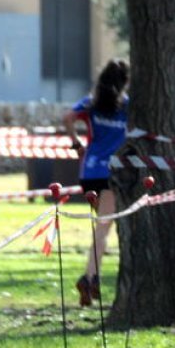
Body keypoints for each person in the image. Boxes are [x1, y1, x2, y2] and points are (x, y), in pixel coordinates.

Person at [62, 58, 130, 307]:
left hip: (88, 173)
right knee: (103, 230)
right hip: (110, 174)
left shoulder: (91, 103)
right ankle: (90, 277)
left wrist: (76, 144)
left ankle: (92, 278)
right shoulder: (126, 106)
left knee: (101, 228)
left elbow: (67, 117)